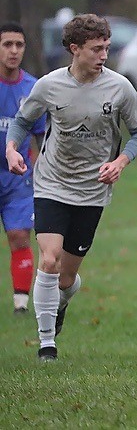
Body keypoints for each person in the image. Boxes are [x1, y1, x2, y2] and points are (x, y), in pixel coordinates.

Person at [5, 14, 137, 361]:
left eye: (106, 48)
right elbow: (23, 121)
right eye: (96, 49)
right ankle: (46, 344)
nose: (103, 55)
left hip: (92, 190)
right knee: (50, 260)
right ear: (75, 50)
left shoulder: (120, 88)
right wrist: (12, 149)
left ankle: (61, 303)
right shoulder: (49, 85)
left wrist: (120, 162)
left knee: (66, 278)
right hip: (51, 183)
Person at [0, 23, 46, 314]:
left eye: (19, 45)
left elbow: (42, 136)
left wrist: (41, 163)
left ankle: (20, 305)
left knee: (19, 236)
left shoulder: (33, 88)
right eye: (7, 44)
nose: (14, 51)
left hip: (18, 177)